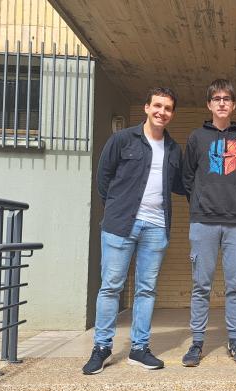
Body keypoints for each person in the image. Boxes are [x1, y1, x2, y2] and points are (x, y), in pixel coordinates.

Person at [83, 87, 184, 375]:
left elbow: (178, 184)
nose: (161, 112)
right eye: (157, 106)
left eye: (167, 108)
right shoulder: (122, 139)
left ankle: (139, 349)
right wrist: (116, 207)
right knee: (111, 286)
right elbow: (104, 178)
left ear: (172, 114)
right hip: (120, 224)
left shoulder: (174, 149)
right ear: (146, 107)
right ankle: (101, 348)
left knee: (146, 289)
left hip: (156, 226)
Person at [181, 79, 236, 367]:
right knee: (201, 284)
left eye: (227, 98)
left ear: (234, 105)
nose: (222, 103)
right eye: (217, 98)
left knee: (235, 285)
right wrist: (201, 201)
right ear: (209, 104)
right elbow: (188, 177)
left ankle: (235, 341)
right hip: (203, 221)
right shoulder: (196, 138)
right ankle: (197, 342)